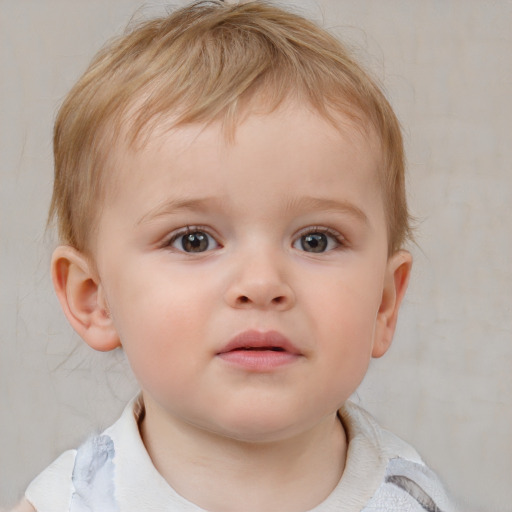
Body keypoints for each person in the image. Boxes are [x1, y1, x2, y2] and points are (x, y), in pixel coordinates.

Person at [15, 1, 458, 510]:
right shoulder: (71, 503)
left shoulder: (414, 501)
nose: (263, 282)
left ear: (384, 302)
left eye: (316, 240)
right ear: (94, 299)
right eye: (193, 240)